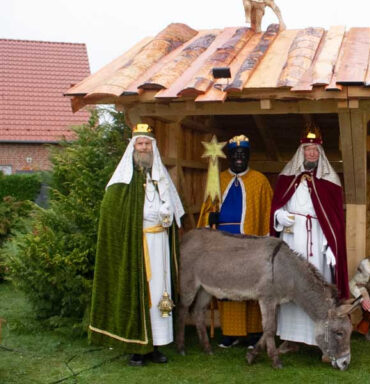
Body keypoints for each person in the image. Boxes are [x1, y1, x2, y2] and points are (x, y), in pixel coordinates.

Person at [88, 124, 186, 366]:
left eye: (148, 144)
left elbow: (176, 212)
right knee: (141, 294)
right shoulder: (121, 183)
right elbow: (111, 215)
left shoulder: (161, 179)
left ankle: (157, 346)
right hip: (136, 249)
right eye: (140, 144)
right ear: (133, 148)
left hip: (160, 246)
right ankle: (137, 348)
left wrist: (168, 214)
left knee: (160, 295)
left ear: (153, 148)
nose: (144, 148)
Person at [271, 127, 348, 350]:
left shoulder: (329, 180)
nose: (312, 154)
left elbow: (332, 219)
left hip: (317, 241)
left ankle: (319, 338)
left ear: (320, 153)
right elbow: (277, 207)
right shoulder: (287, 178)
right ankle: (290, 338)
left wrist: (330, 245)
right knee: (291, 285)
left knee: (315, 288)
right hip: (292, 238)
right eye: (308, 150)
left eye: (316, 150)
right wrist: (280, 216)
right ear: (302, 151)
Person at [196, 135, 273, 349]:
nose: (239, 158)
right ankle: (230, 333)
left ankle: (254, 332)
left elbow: (267, 210)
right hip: (223, 242)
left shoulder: (260, 180)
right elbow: (208, 207)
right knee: (227, 286)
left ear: (249, 156)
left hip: (250, 243)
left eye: (243, 154)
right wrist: (209, 221)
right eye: (235, 154)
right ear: (228, 157)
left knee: (251, 285)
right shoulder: (218, 179)